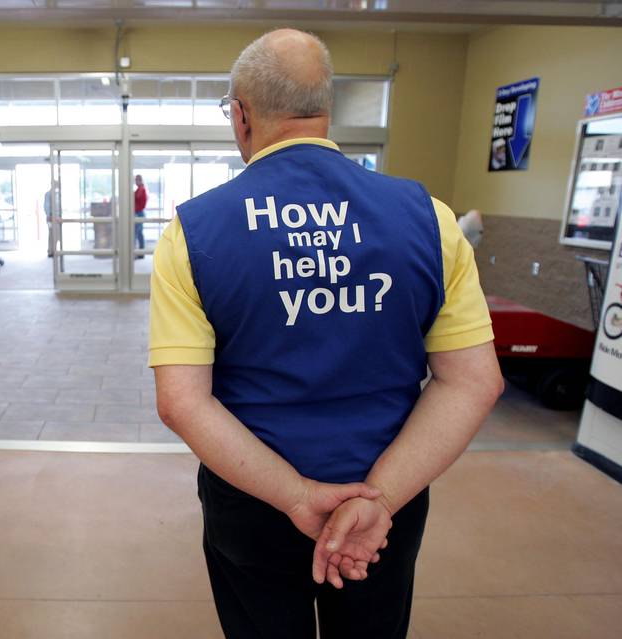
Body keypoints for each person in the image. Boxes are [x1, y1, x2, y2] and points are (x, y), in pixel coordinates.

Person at [149, 29, 503, 639]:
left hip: (254, 504)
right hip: (382, 504)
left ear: (240, 115)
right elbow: (473, 381)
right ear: (325, 110)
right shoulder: (430, 220)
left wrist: (295, 494)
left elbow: (182, 400)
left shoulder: (194, 233)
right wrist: (380, 500)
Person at [134, 174, 148, 258]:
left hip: (139, 213)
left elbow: (138, 199)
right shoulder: (139, 189)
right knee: (138, 233)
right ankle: (139, 253)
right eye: (135, 180)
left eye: (137, 180)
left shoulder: (141, 190)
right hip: (138, 213)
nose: (136, 182)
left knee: (138, 233)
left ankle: (140, 253)